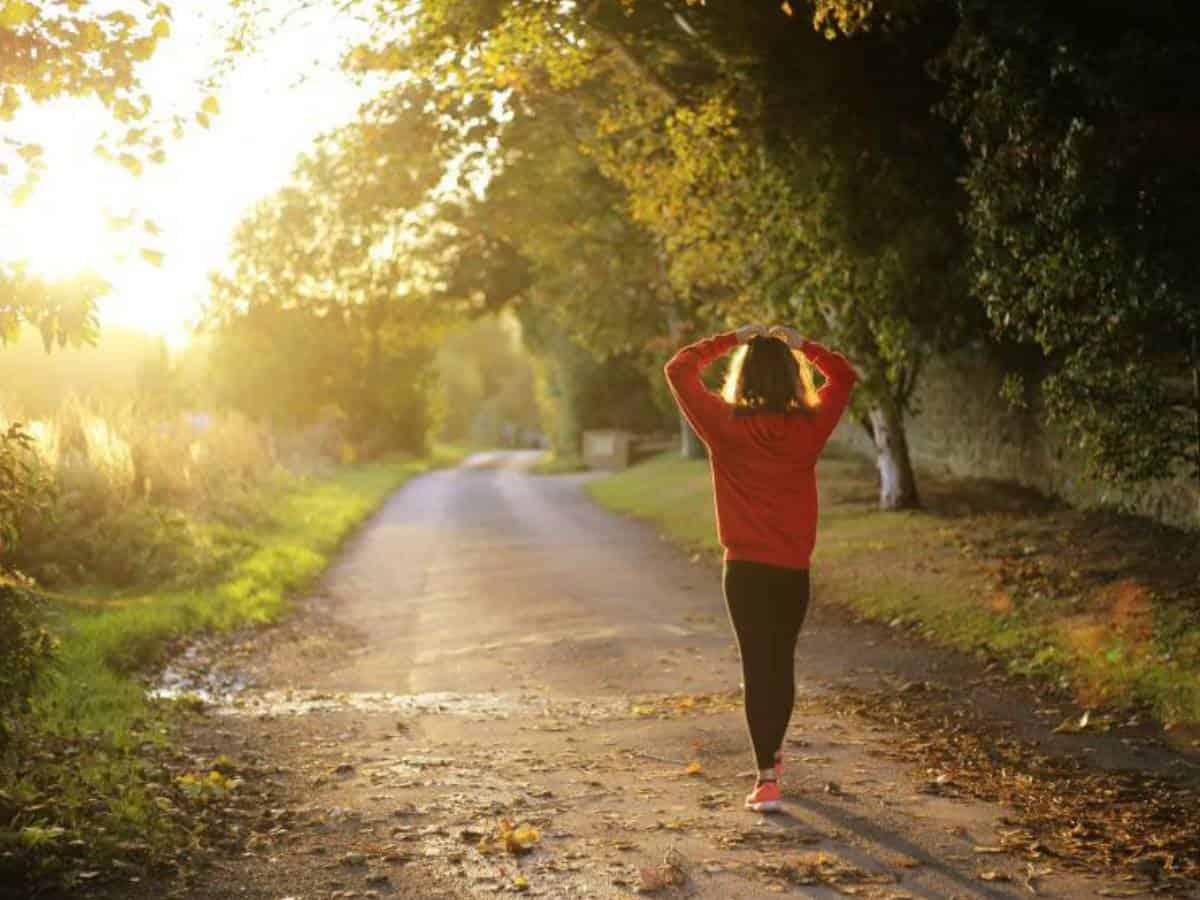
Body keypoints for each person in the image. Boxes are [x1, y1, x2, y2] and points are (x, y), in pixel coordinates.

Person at [663, 323, 857, 813]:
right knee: (781, 662)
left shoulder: (723, 425)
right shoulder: (808, 428)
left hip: (745, 570)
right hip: (791, 570)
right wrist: (803, 345)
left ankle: (766, 776)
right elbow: (844, 375)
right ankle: (772, 753)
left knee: (757, 664)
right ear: (792, 378)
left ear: (742, 376)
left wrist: (732, 338)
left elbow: (679, 368)